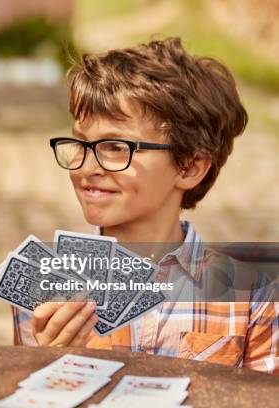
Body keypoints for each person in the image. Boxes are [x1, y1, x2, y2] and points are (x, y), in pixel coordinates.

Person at [14, 37, 277, 374]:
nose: (85, 167)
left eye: (116, 147)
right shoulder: (45, 287)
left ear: (190, 167)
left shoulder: (253, 299)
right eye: (80, 143)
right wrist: (46, 366)